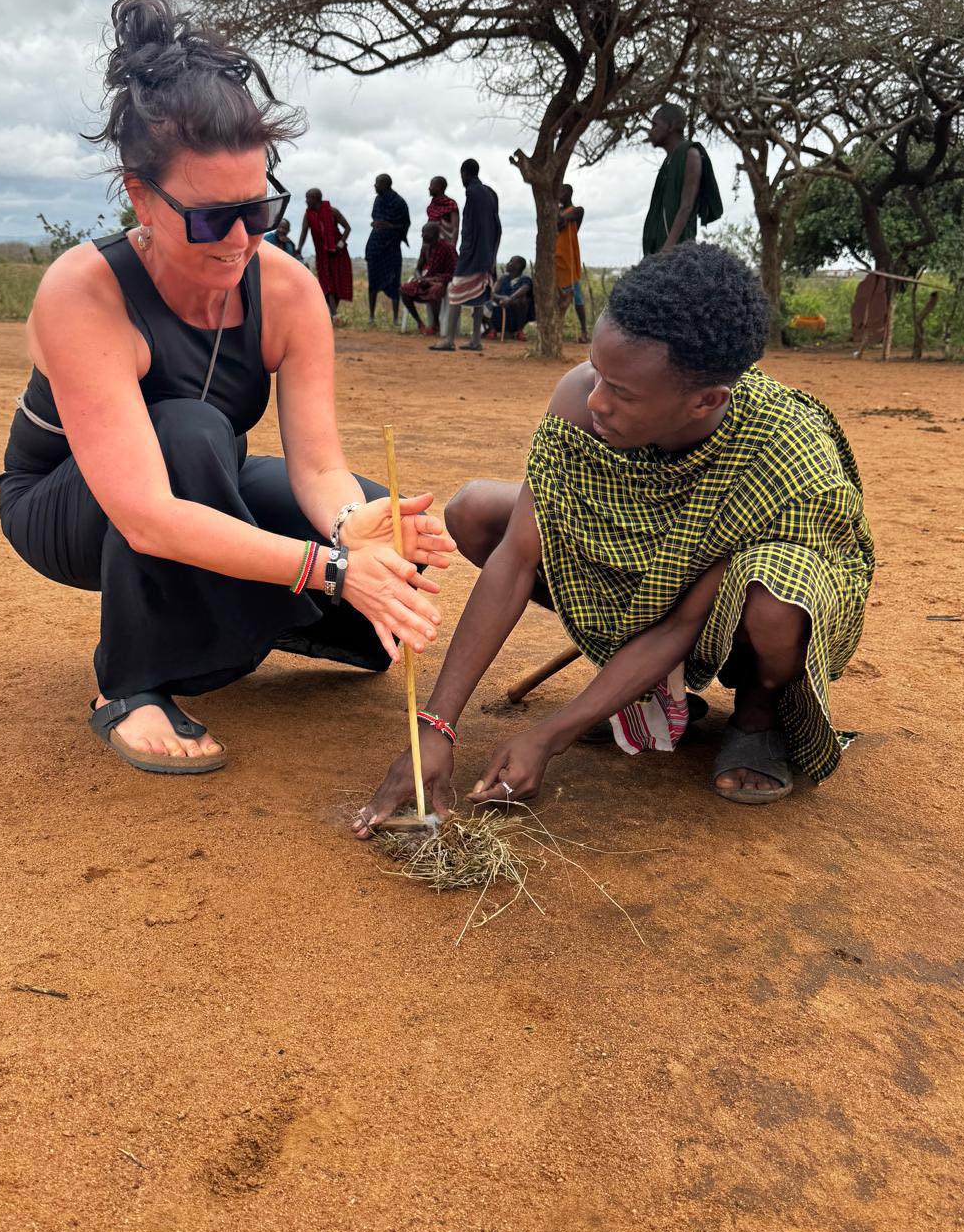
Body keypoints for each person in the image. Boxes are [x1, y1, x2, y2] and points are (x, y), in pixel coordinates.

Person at [0, 0, 454, 776]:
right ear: (139, 196)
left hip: (202, 478)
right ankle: (127, 682)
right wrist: (329, 570)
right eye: (212, 220)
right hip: (70, 509)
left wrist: (352, 527)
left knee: (373, 514)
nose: (241, 241)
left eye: (260, 211)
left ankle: (247, 615)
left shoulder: (286, 290)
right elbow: (144, 514)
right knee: (190, 432)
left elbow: (316, 467)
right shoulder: (84, 292)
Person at [355, 244, 874, 836]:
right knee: (476, 509)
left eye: (622, 393)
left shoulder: (779, 454)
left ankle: (757, 714)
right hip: (649, 568)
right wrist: (435, 727)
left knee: (777, 594)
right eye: (597, 371)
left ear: (705, 401)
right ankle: (640, 687)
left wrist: (550, 736)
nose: (595, 400)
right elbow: (517, 559)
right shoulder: (583, 402)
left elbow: (680, 625)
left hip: (740, 600)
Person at [430, 158, 501, 353]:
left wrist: (466, 252)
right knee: (479, 293)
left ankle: (448, 340)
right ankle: (476, 340)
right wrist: (492, 255)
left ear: (464, 173)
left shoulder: (472, 192)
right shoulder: (489, 193)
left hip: (472, 254)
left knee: (455, 291)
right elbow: (497, 227)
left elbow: (469, 228)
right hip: (486, 254)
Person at [642, 104, 724, 256]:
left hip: (677, 252)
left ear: (671, 126)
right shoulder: (668, 162)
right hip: (659, 249)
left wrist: (668, 248)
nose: (650, 131)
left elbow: (686, 206)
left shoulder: (690, 155)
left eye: (655, 125)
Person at [297, 188, 353, 319]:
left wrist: (340, 243)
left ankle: (333, 314)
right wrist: (299, 248)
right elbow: (304, 232)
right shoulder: (308, 215)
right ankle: (334, 314)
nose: (306, 201)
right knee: (326, 284)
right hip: (322, 255)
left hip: (338, 253)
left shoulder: (332, 211)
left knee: (337, 282)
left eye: (308, 198)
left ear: (316, 198)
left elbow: (347, 228)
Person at [364, 172, 411, 326]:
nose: (375, 186)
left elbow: (405, 224)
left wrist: (389, 226)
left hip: (391, 247)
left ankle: (396, 319)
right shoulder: (378, 200)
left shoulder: (399, 202)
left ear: (385, 184)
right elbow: (376, 218)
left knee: (394, 282)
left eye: (377, 183)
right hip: (376, 246)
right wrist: (377, 224)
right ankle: (371, 317)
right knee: (373, 282)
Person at [401, 219, 457, 334]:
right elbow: (418, 269)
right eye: (422, 233)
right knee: (404, 290)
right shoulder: (425, 248)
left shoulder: (448, 248)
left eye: (426, 233)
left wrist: (433, 280)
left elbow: (454, 272)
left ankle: (436, 325)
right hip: (426, 280)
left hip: (441, 282)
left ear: (436, 235)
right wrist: (420, 278)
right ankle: (419, 323)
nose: (423, 236)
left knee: (434, 291)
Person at [555, 183, 589, 342]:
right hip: (555, 259)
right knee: (557, 298)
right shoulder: (557, 212)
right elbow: (557, 223)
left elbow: (562, 221)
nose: (559, 194)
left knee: (577, 298)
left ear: (569, 193)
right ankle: (555, 331)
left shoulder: (577, 210)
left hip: (569, 260)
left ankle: (584, 332)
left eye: (562, 192)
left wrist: (559, 215)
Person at [487, 255, 533, 339]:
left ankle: (519, 331)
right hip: (499, 308)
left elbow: (524, 289)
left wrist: (510, 299)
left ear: (518, 266)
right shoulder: (503, 278)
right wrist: (502, 298)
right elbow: (492, 293)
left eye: (511, 261)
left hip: (515, 313)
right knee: (483, 303)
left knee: (522, 301)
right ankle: (492, 329)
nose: (508, 263)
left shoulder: (525, 279)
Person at [426, 174, 460, 246]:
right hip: (431, 245)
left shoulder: (450, 204)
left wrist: (452, 247)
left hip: (446, 245)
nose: (429, 188)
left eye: (431, 185)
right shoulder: (431, 206)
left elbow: (455, 228)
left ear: (438, 187)